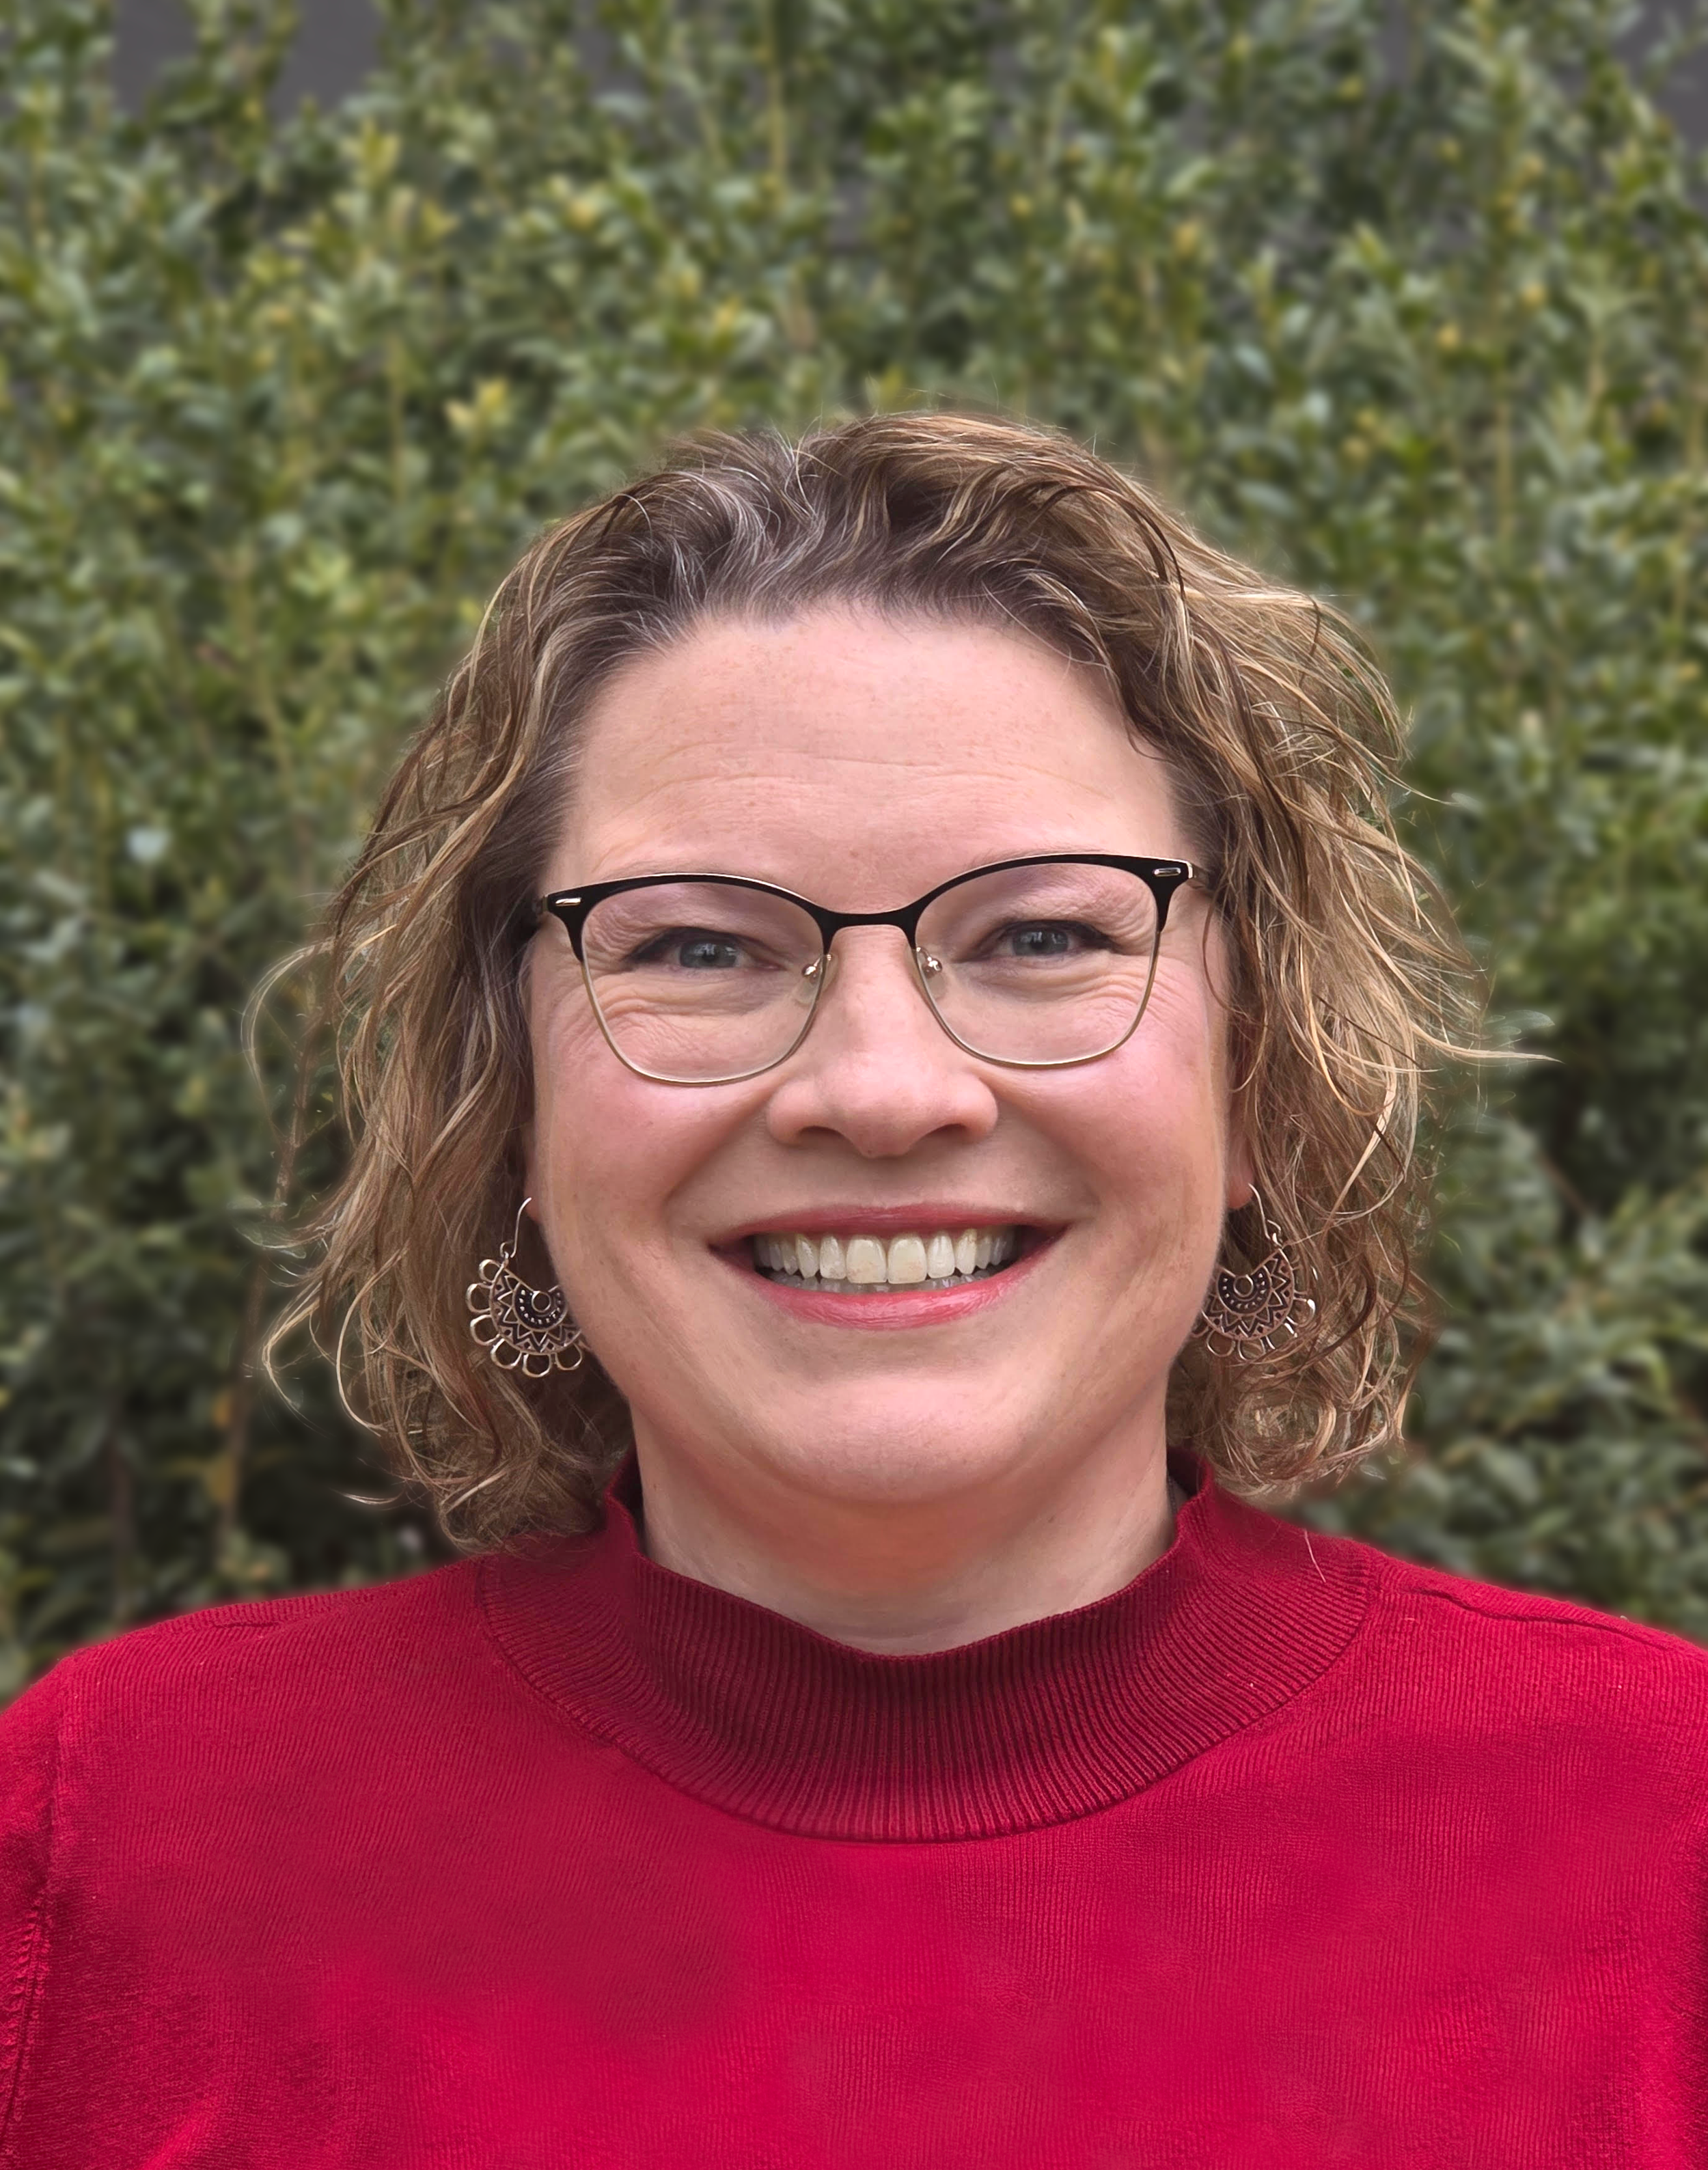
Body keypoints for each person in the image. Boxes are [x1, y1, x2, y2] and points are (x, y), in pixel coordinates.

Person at [3, 414, 1705, 2169]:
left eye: (1044, 936)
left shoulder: (1665, 1842)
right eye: (698, 948)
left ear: (1256, 1076)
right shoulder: (118, 1841)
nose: (884, 1090)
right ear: (506, 1097)